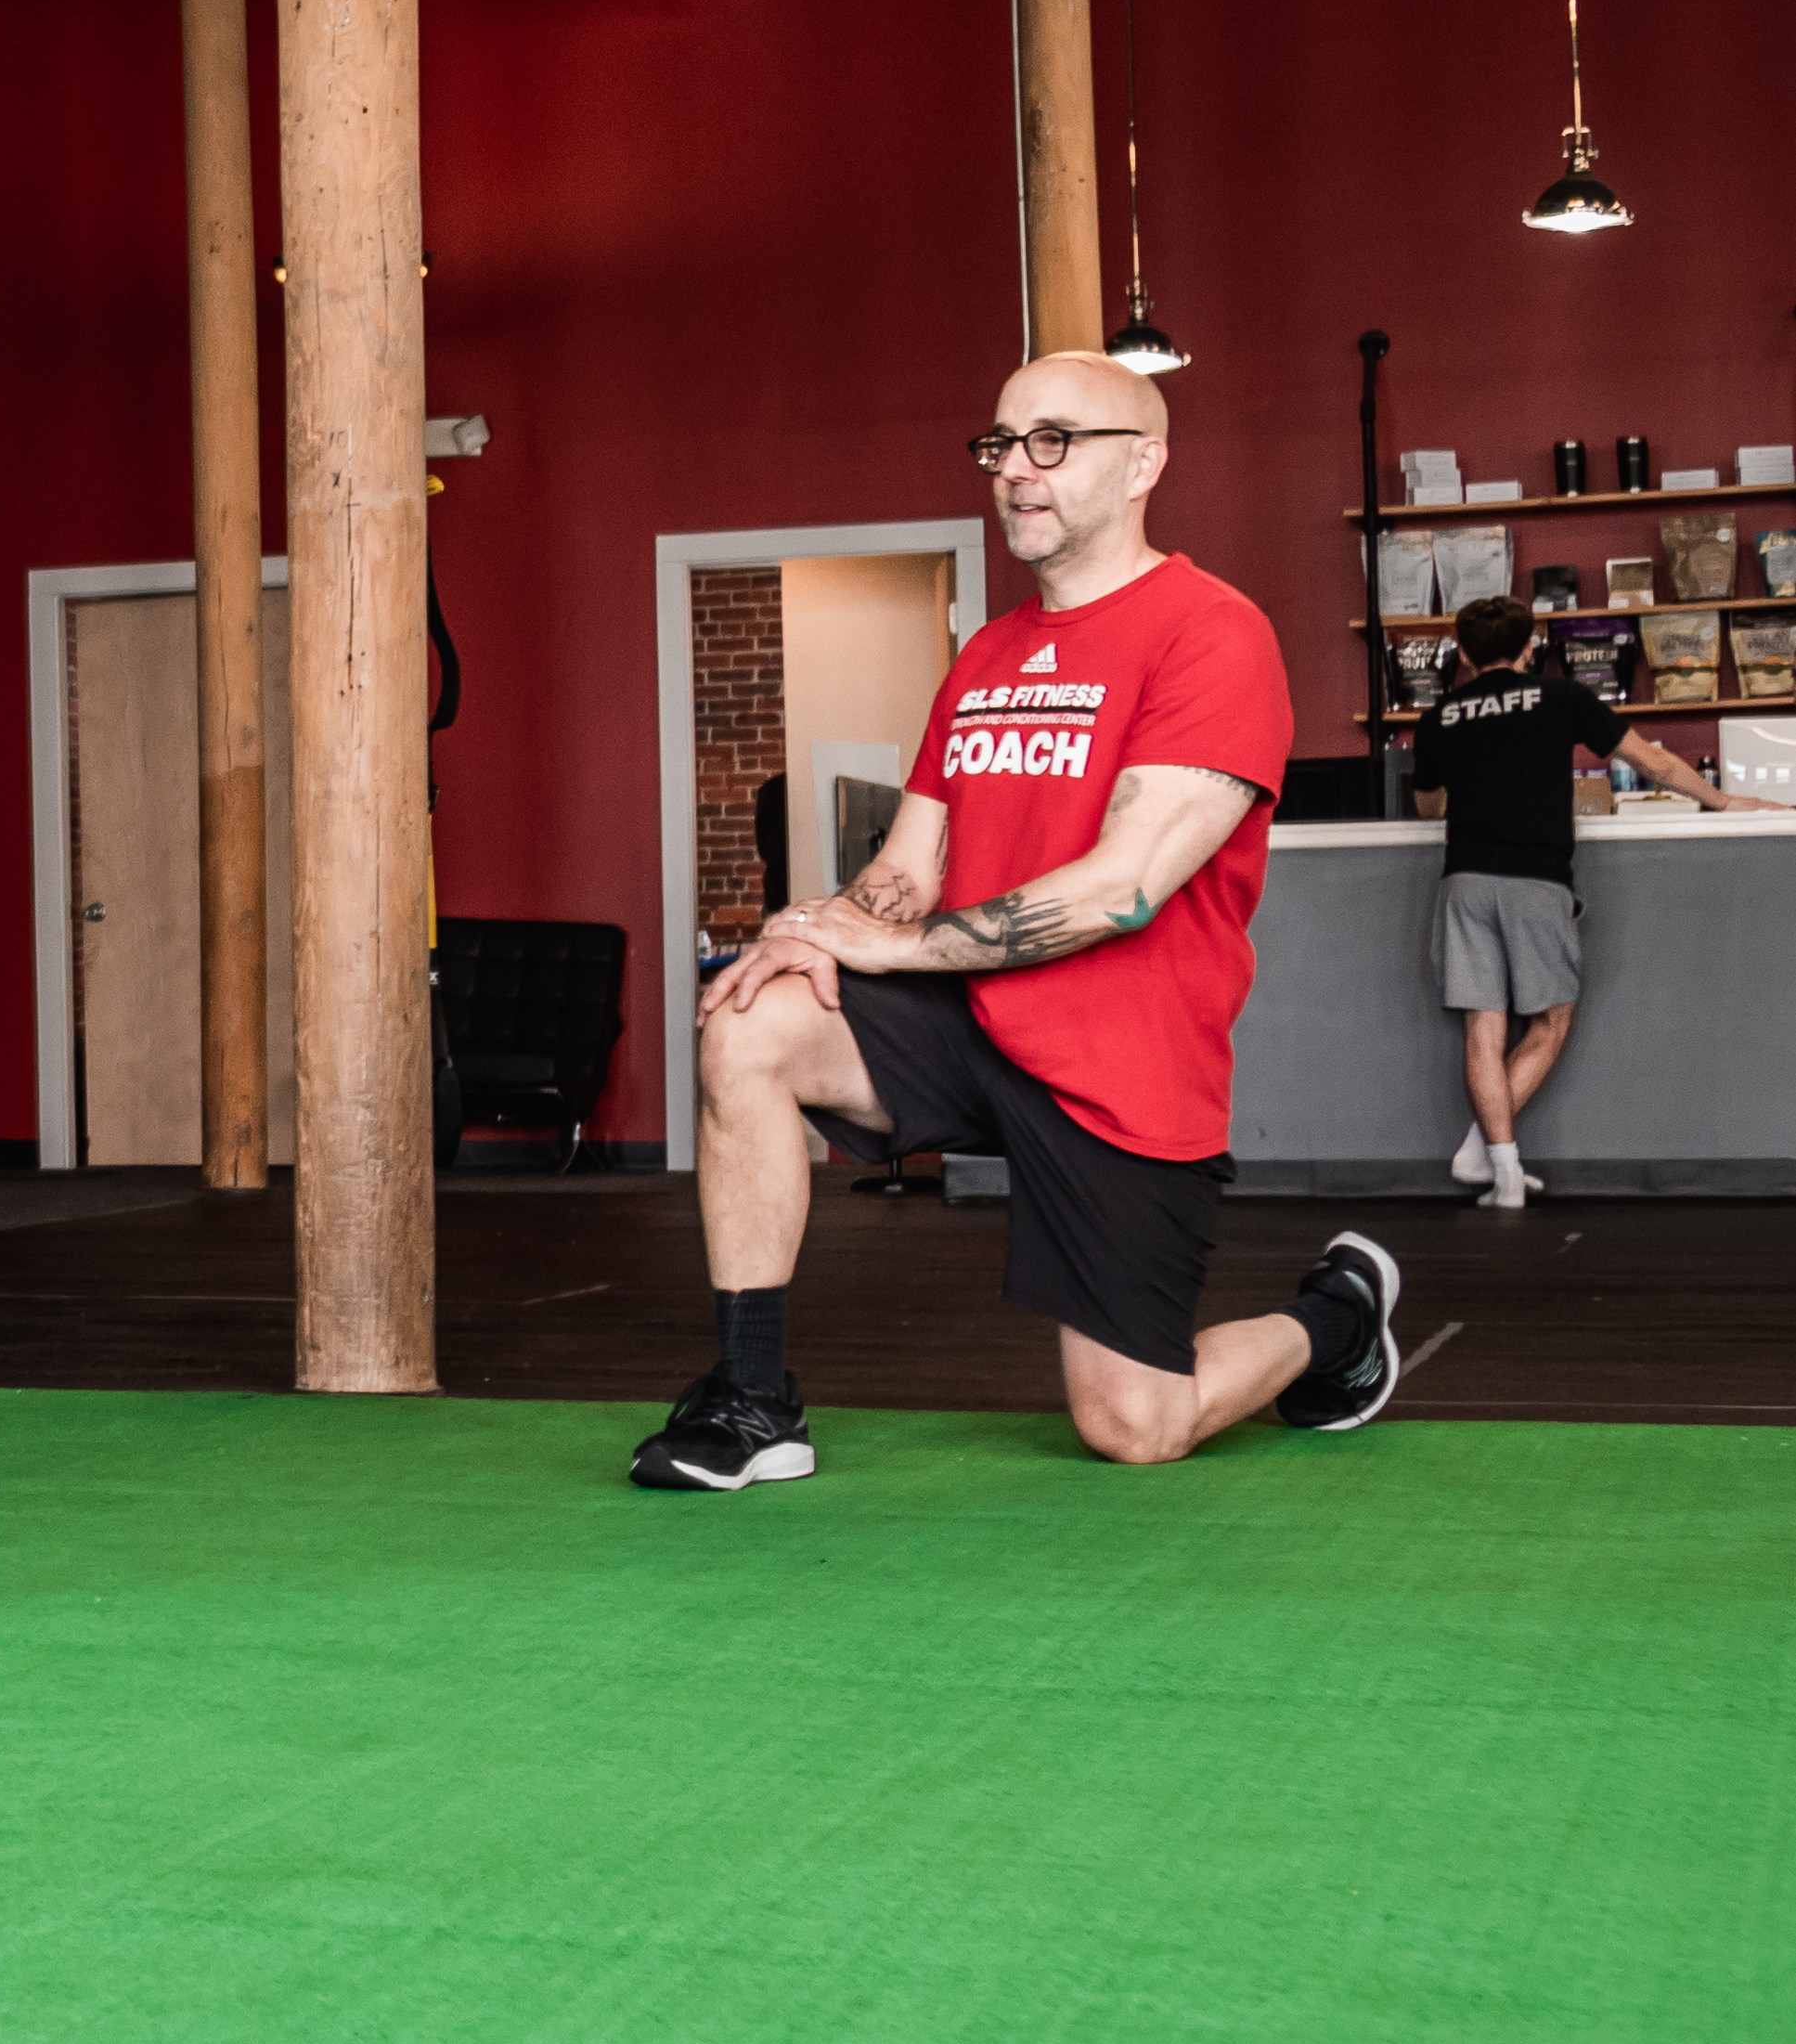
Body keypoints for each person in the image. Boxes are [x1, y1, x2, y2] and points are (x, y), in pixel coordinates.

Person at [642, 354, 1405, 1491]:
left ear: (1143, 462)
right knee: (752, 1020)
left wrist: (890, 945)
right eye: (1001, 442)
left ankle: (1337, 1319)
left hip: (1123, 1065)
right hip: (974, 1025)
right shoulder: (988, 656)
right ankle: (753, 1398)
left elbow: (1122, 886)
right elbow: (904, 870)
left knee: (1135, 1422)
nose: (1016, 470)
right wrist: (807, 931)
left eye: (1054, 439)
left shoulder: (1214, 633)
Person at [1408, 592, 1781, 1208]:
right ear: (1530, 647)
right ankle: (1485, 1155)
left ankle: (1494, 1168)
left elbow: (1427, 805)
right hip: (1534, 879)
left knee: (1482, 1027)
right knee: (1549, 1022)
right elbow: (1651, 763)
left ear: (1465, 654)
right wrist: (1721, 801)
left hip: (1464, 881)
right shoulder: (1561, 696)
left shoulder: (1439, 715)